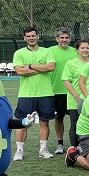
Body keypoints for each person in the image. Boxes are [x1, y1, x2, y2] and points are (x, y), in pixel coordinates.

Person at [12, 26, 57, 160]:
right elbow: (19, 71)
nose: (31, 38)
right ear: (25, 38)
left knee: (44, 123)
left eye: (33, 35)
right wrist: (41, 69)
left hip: (45, 93)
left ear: (38, 36)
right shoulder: (19, 53)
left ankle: (43, 149)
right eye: (28, 36)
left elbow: (51, 67)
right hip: (26, 94)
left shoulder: (46, 51)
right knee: (23, 123)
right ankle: (19, 151)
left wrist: (30, 66)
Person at [48, 27, 77, 154]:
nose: (64, 40)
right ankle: (60, 144)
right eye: (62, 38)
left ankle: (76, 144)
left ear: (70, 39)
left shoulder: (76, 52)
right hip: (56, 91)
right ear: (57, 39)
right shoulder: (49, 51)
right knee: (58, 118)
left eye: (66, 38)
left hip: (73, 92)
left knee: (75, 119)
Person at [61, 39, 89, 149]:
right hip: (75, 100)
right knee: (75, 124)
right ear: (77, 50)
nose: (85, 50)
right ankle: (74, 148)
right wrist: (77, 97)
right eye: (82, 48)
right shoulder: (71, 63)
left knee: (88, 125)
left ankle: (86, 147)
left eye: (87, 48)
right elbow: (66, 80)